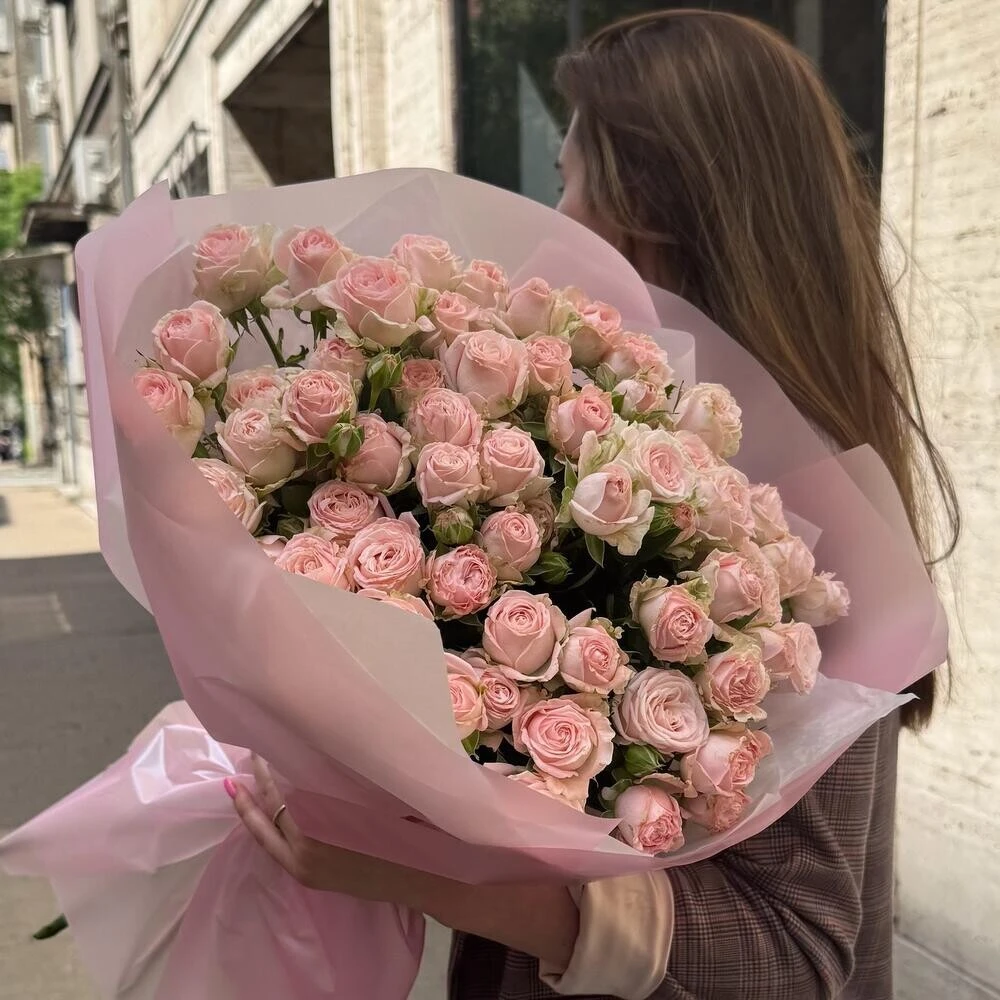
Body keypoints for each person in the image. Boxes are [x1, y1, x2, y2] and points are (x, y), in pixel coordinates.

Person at [228, 10, 959, 999]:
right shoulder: (609, 457)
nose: (553, 213)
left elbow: (796, 955)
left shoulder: (793, 514)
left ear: (648, 204)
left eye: (568, 178)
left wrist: (422, 868)